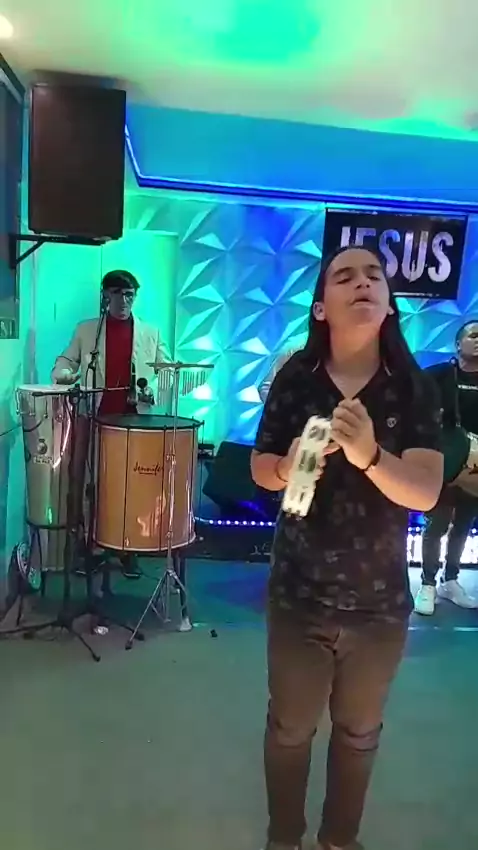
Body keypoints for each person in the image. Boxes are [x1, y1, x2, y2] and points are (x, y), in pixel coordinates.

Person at [251, 246, 443, 850]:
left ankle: (339, 839)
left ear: (389, 304)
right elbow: (260, 468)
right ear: (320, 307)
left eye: (374, 275)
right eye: (344, 275)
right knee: (290, 728)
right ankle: (285, 837)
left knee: (360, 733)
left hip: (378, 604)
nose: (362, 282)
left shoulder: (414, 387)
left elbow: (426, 490)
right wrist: (288, 467)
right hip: (299, 594)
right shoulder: (296, 380)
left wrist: (369, 455)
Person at [52, 269, 170, 579]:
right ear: (106, 296)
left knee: (131, 485)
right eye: (118, 294)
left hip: (134, 421)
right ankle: (91, 546)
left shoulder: (150, 332)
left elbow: (167, 370)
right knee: (90, 484)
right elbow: (65, 361)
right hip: (95, 417)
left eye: (130, 295)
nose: (124, 301)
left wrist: (151, 388)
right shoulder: (87, 330)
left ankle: (128, 548)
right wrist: (65, 375)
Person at [415, 321, 478, 615]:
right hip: (442, 462)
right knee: (436, 524)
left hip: (475, 467)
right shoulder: (438, 375)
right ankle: (427, 584)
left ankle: (450, 581)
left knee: (463, 523)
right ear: (458, 344)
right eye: (473, 335)